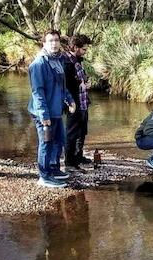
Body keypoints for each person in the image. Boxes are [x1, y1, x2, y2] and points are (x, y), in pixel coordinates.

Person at [28, 29, 76, 188]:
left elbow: (62, 86)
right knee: (46, 143)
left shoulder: (59, 59)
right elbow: (37, 92)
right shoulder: (39, 64)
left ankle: (54, 169)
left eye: (56, 40)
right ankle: (44, 175)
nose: (54, 43)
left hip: (56, 110)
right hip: (43, 112)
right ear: (44, 44)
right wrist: (44, 115)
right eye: (51, 41)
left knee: (59, 140)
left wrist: (70, 100)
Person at [63, 34, 93, 170]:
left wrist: (86, 82)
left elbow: (80, 79)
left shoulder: (77, 60)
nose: (85, 52)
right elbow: (65, 85)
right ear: (75, 47)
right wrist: (81, 85)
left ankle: (78, 156)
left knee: (82, 131)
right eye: (84, 49)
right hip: (73, 103)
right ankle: (69, 161)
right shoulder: (66, 62)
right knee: (72, 132)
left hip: (83, 102)